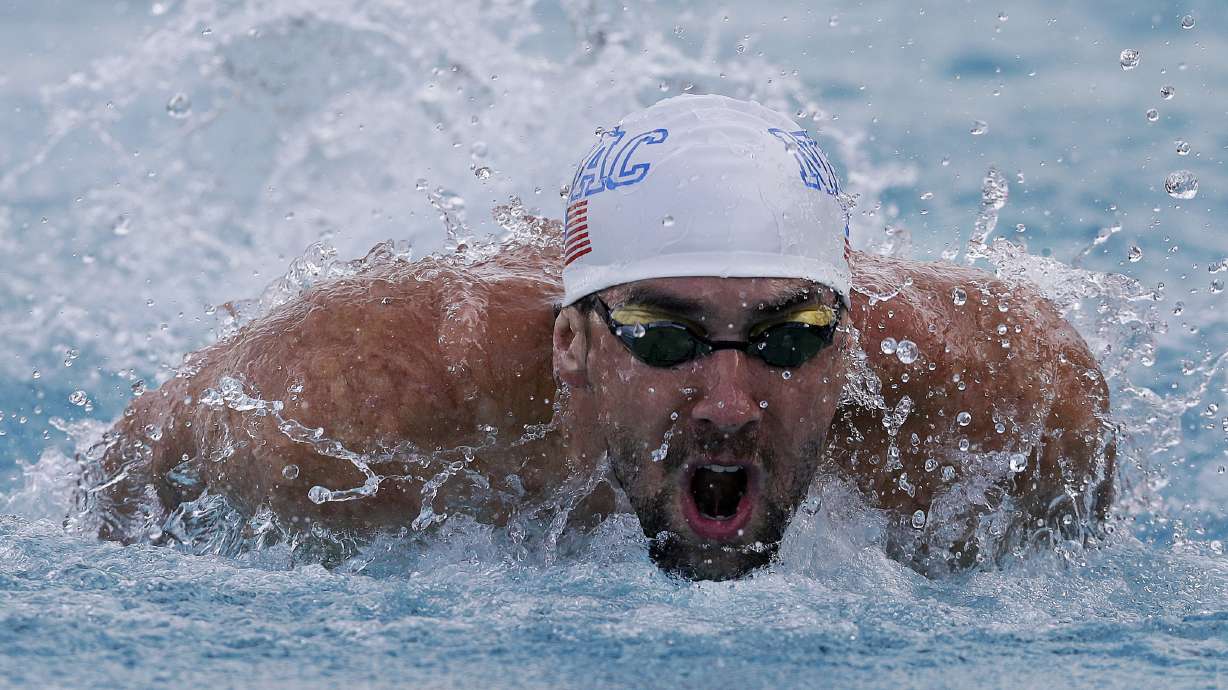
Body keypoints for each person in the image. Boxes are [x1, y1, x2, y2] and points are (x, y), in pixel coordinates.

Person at [82, 95, 1115, 579]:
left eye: (788, 337)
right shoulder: (357, 409)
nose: (727, 400)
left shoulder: (1016, 409)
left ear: (847, 344)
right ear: (572, 346)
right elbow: (116, 487)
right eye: (665, 338)